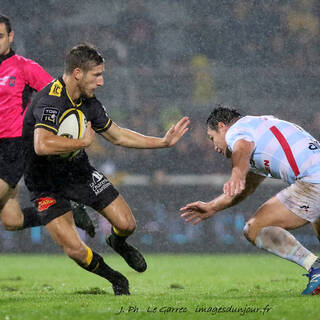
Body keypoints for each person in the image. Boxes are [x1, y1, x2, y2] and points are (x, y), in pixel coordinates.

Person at [22, 43, 190, 295]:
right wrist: (82, 142)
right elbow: (42, 145)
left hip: (79, 173)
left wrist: (162, 142)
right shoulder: (50, 101)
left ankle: (117, 241)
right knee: (76, 250)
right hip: (45, 184)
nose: (101, 82)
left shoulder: (89, 102)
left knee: (127, 224)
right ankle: (116, 278)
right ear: (77, 73)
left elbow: (118, 135)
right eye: (97, 75)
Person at [180, 105, 320, 295]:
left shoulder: (237, 131)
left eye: (212, 138)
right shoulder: (260, 128)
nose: (214, 146)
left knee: (255, 229)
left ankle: (316, 269)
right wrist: (213, 206)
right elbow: (247, 187)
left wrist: (236, 172)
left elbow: (242, 147)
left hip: (313, 180)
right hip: (315, 175)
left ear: (222, 126)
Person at [0, 14, 95, 237]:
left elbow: (58, 94)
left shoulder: (24, 67)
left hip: (14, 146)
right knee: (12, 221)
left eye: (0, 36)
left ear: (11, 37)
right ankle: (65, 208)